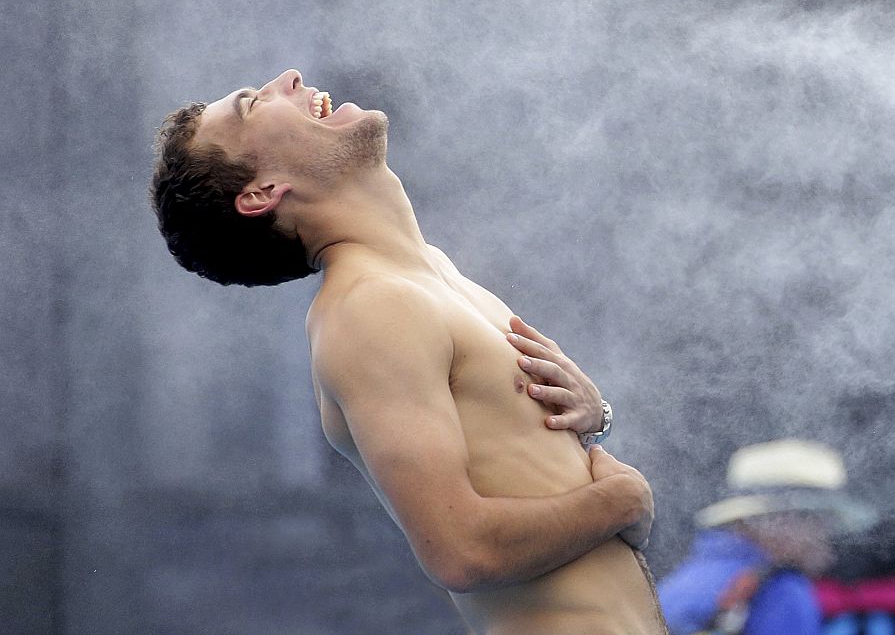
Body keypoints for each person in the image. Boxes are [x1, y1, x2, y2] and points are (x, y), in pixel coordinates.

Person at [149, 69, 662, 634]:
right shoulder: (369, 308)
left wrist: (594, 418)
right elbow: (462, 550)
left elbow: (517, 466)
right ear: (261, 193)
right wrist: (624, 500)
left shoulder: (429, 274)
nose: (288, 78)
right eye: (251, 105)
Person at [658, 439, 875, 635]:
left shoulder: (671, 585)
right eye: (815, 518)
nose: (825, 534)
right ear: (774, 520)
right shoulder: (781, 590)